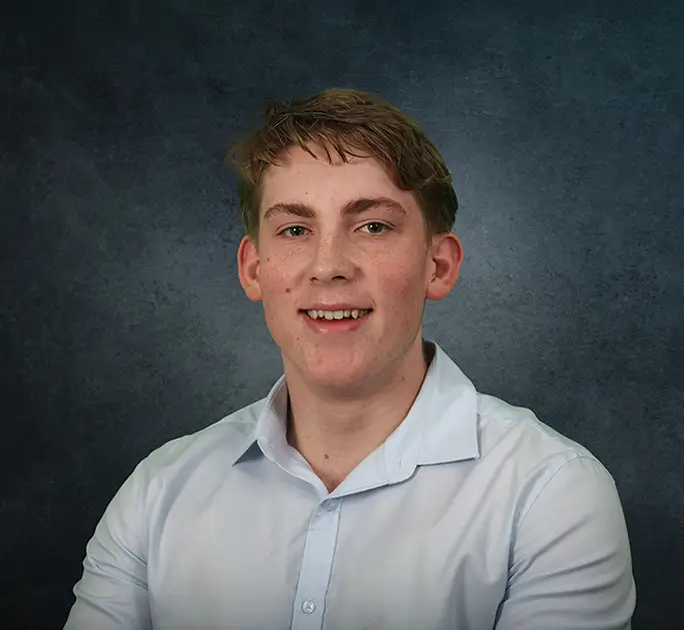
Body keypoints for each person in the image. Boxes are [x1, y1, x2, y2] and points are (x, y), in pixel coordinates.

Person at [63, 87, 636, 630]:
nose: (328, 266)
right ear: (253, 269)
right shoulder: (157, 493)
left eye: (373, 226)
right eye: (294, 229)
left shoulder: (550, 495)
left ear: (438, 266)